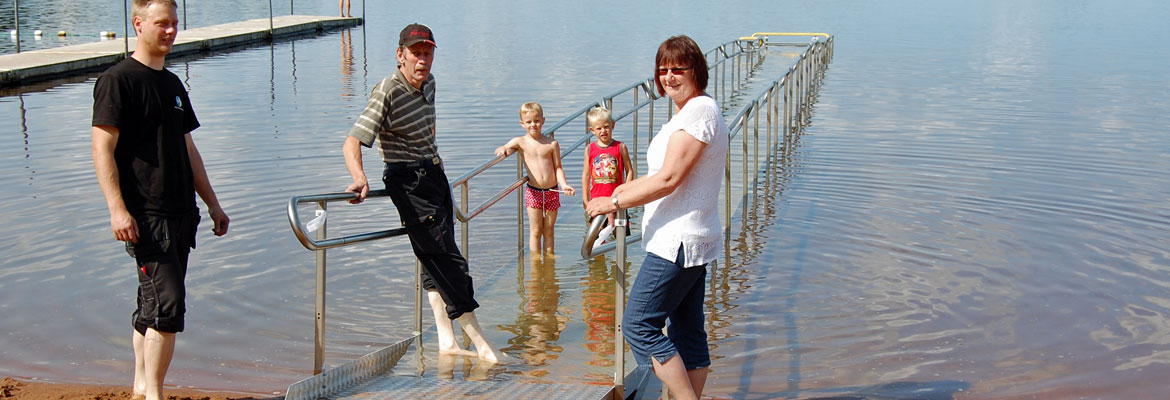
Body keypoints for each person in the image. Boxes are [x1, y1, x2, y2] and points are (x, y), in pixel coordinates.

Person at [342, 23, 509, 364]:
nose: (422, 60)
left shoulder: (429, 83)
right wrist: (360, 177)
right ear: (400, 55)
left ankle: (446, 341)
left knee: (433, 258)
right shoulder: (387, 91)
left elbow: (426, 123)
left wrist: (433, 154)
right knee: (447, 258)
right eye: (415, 53)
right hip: (408, 181)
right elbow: (352, 141)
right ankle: (483, 346)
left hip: (433, 173)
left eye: (427, 53)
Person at [91, 1, 230, 399]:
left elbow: (189, 149)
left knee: (151, 304)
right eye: (161, 24)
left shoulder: (172, 84)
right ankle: (154, 394)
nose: (169, 31)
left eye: (174, 24)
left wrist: (213, 204)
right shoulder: (118, 81)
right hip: (146, 214)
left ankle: (140, 386)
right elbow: (102, 147)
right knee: (168, 308)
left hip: (181, 211)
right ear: (138, 24)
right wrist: (117, 209)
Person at [585, 35, 728, 400]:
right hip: (693, 240)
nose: (669, 76)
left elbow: (668, 179)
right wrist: (621, 195)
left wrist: (611, 202)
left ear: (696, 69)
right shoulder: (689, 112)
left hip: (678, 242)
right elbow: (662, 177)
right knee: (687, 331)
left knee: (638, 325)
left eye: (678, 68)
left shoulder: (699, 112)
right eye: (663, 69)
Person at [494, 102, 576, 254]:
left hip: (552, 190)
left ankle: (549, 262)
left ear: (543, 121)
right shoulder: (521, 142)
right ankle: (535, 262)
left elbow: (558, 167)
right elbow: (504, 147)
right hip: (534, 192)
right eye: (529, 122)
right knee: (536, 230)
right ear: (522, 124)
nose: (533, 125)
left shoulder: (551, 143)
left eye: (537, 121)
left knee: (549, 230)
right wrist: (503, 149)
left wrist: (564, 185)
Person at [580, 106, 633, 250]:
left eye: (606, 127)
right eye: (599, 129)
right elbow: (586, 174)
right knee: (596, 241)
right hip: (596, 201)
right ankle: (598, 270)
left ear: (612, 126)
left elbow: (629, 171)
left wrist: (625, 192)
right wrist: (585, 198)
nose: (603, 131)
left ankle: (623, 268)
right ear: (592, 130)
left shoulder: (620, 147)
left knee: (621, 239)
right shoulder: (590, 149)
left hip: (616, 200)